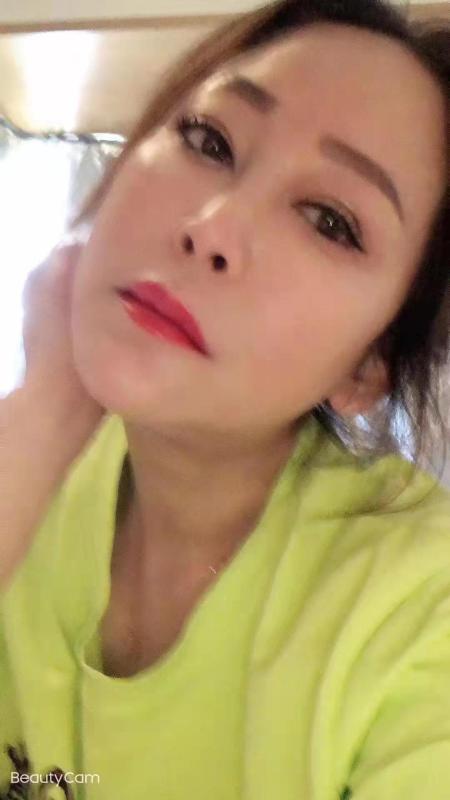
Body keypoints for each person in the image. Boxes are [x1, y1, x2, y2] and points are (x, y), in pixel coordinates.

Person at [0, 0, 449, 797]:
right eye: (209, 140)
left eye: (330, 221)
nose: (213, 226)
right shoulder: (31, 468)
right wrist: (42, 419)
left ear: (368, 366)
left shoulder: (420, 613)